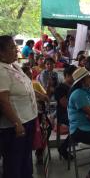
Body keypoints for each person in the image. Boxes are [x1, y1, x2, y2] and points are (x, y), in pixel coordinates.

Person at [0, 35, 38, 178]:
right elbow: (3, 101)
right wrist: (17, 122)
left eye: (15, 46)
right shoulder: (1, 70)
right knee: (13, 163)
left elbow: (26, 87)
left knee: (26, 159)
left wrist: (39, 96)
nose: (16, 50)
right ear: (1, 53)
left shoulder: (14, 65)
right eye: (11, 47)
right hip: (15, 126)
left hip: (28, 119)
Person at [54, 65, 77, 159]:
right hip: (64, 114)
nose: (75, 77)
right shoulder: (60, 88)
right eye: (73, 75)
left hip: (73, 112)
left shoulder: (74, 86)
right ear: (67, 75)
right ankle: (63, 148)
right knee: (78, 126)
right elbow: (65, 104)